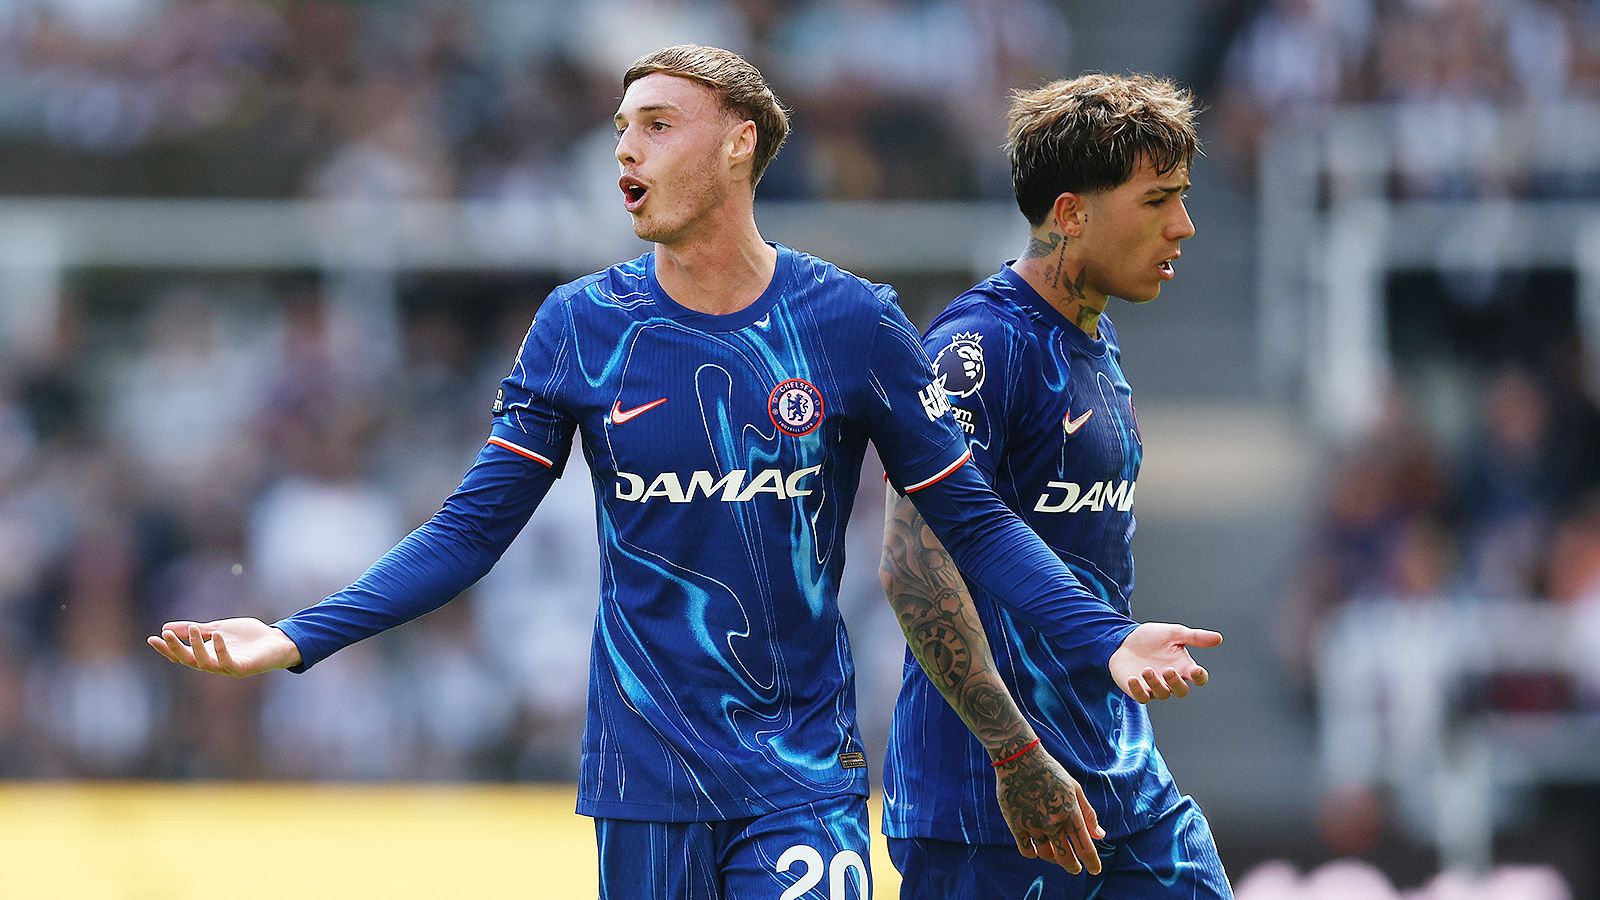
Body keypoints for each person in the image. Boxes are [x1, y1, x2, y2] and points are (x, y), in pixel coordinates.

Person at [148, 46, 1201, 897]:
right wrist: (298, 636)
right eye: (621, 128)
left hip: (803, 778)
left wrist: (1102, 637)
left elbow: (970, 518)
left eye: (656, 124)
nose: (625, 147)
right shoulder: (580, 326)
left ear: (740, 144)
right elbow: (469, 531)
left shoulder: (850, 322)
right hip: (644, 781)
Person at [879, 72, 1233, 897]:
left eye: (1182, 198)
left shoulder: (1095, 344)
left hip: (1122, 786)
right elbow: (912, 565)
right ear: (1071, 213)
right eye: (1158, 201)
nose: (1183, 225)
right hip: (993, 808)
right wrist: (1015, 754)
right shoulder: (977, 348)